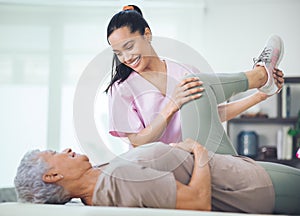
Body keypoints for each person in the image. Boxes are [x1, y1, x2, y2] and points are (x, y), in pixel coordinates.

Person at [14, 70, 300, 213]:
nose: (65, 149)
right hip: (243, 184)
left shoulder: (100, 176)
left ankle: (263, 84)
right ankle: (262, 75)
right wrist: (197, 153)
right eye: (54, 153)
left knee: (192, 88)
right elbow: (199, 202)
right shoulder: (118, 181)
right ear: (53, 176)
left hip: (214, 161)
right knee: (195, 84)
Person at [105, 5, 284, 148]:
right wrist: (172, 106)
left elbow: (212, 114)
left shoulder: (185, 71)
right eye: (118, 53)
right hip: (152, 169)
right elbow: (137, 141)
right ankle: (260, 74)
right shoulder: (121, 89)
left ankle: (262, 78)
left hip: (191, 161)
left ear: (147, 35)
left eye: (129, 46)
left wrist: (261, 96)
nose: (126, 58)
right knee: (198, 84)